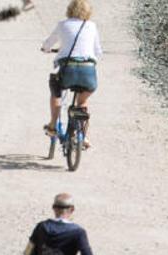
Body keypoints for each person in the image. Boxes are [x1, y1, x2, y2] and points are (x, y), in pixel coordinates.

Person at [41, 0, 102, 148]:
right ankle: (83, 135)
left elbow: (48, 44)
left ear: (70, 10)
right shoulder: (92, 26)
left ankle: (53, 125)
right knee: (82, 102)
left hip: (68, 70)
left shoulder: (63, 24)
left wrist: (46, 49)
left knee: (56, 90)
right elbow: (98, 52)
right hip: (88, 72)